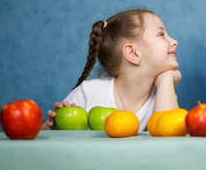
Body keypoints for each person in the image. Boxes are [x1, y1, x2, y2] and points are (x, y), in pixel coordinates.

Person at [42, 8, 181, 131]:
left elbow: (169, 140)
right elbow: (41, 135)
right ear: (133, 53)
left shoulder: (163, 97)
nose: (174, 41)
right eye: (161, 34)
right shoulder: (89, 93)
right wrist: (53, 127)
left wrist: (166, 80)